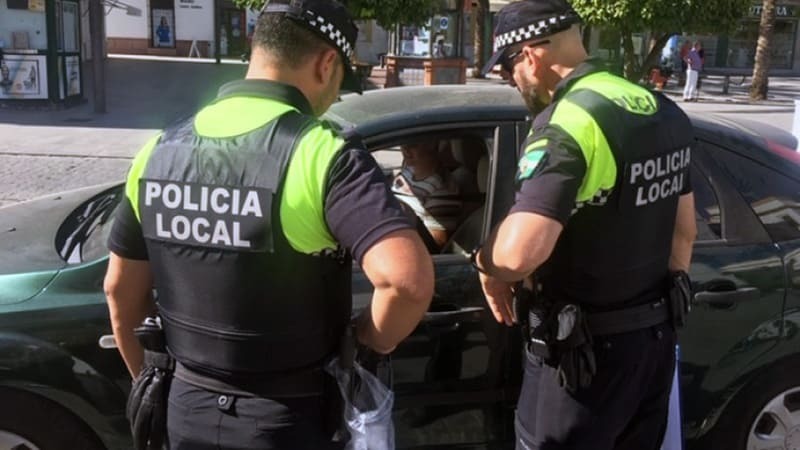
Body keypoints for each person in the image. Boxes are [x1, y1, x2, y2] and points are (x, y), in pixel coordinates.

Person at [104, 0, 435, 449]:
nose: (333, 98)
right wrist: (364, 342)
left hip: (183, 410)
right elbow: (406, 283)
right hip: (288, 421)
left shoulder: (158, 150)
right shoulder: (322, 155)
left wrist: (154, 381)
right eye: (340, 82)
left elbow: (119, 291)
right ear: (326, 64)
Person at [474, 1, 697, 449]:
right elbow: (683, 234)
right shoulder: (661, 108)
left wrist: (485, 263)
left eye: (507, 69)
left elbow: (519, 255)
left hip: (581, 365)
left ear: (529, 56)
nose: (512, 81)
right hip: (651, 349)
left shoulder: (568, 123)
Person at [392, 141, 462, 249]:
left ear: (431, 144)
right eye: (402, 143)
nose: (405, 150)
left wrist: (406, 214)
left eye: (412, 145)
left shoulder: (441, 188)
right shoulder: (408, 167)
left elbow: (438, 241)